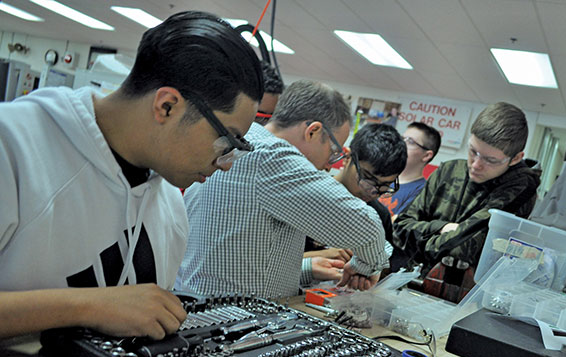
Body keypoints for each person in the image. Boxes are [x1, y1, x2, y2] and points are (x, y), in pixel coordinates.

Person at [0, 11, 264, 340]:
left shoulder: (169, 208)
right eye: (227, 141)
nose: (226, 162)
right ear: (167, 106)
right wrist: (88, 307)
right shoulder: (12, 145)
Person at [176, 80, 389, 299]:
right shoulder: (273, 156)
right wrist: (366, 267)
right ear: (313, 132)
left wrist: (306, 269)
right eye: (333, 151)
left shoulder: (246, 141)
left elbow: (236, 255)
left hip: (202, 303)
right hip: (236, 318)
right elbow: (368, 228)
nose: (328, 165)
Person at [393, 102, 540, 299]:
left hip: (470, 300)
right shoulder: (447, 171)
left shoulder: (519, 191)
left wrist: (424, 239)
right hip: (414, 287)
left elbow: (461, 249)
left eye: (491, 160)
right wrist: (441, 228)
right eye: (472, 151)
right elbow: (400, 229)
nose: (476, 165)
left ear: (515, 159)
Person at [304, 123, 406, 273]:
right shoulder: (307, 197)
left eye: (384, 185)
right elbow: (264, 259)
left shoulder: (378, 215)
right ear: (347, 158)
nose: (372, 191)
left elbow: (384, 268)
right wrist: (317, 257)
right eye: (367, 178)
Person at [379, 122, 441, 219]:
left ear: (426, 155)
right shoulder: (381, 173)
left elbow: (395, 223)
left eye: (410, 142)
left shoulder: (421, 191)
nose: (401, 144)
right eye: (402, 138)